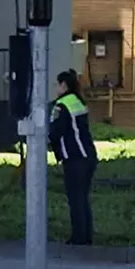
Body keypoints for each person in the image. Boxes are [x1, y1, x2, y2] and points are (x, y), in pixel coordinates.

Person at [49, 69, 98, 246]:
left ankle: (78, 238)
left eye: (57, 84)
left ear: (64, 85)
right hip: (88, 156)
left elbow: (55, 132)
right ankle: (86, 236)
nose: (56, 88)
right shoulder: (78, 102)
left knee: (75, 199)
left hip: (74, 158)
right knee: (83, 198)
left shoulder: (61, 105)